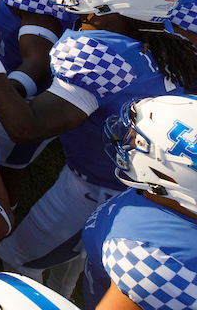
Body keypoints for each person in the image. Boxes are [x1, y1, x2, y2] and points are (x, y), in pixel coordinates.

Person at [0, 0, 197, 296]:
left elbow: (25, 126)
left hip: (98, 186)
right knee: (76, 250)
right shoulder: (168, 41)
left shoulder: (101, 52)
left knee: (17, 254)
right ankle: (64, 286)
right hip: (121, 174)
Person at [84, 94, 197, 310]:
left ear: (172, 176)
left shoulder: (156, 260)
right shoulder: (164, 199)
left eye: (135, 139)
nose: (127, 140)